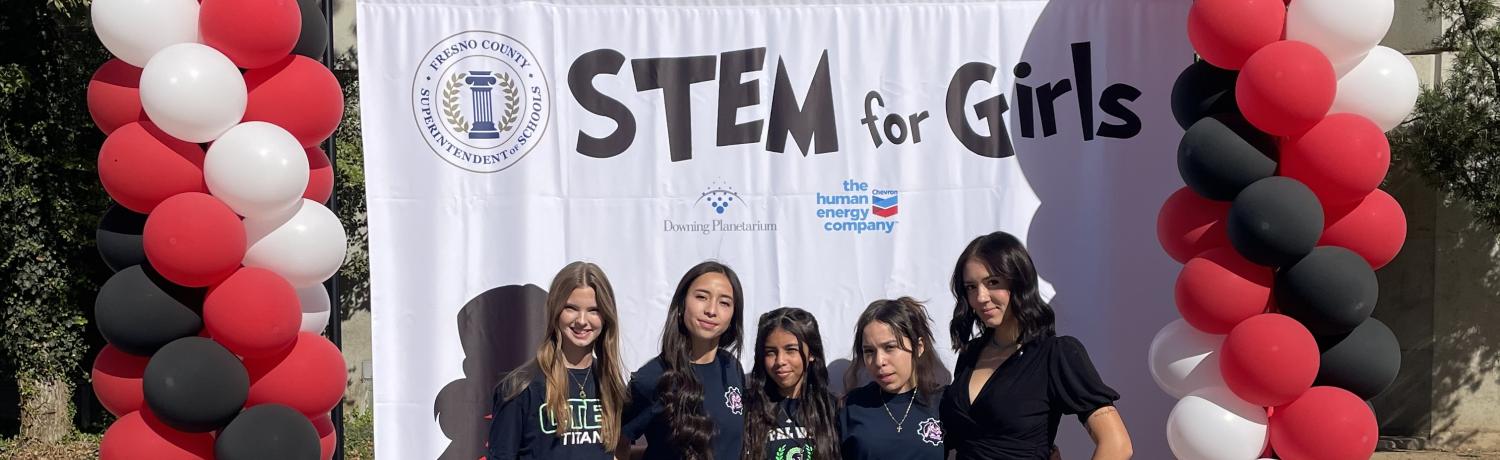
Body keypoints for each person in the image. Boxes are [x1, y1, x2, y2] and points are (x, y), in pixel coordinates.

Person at [939, 231, 1132, 459]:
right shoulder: (970, 354)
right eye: (971, 287)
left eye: (993, 282)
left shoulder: (1057, 354)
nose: (981, 297)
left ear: (1019, 281)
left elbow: (1117, 445)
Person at [488, 261, 629, 460]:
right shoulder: (520, 388)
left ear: (606, 316)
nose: (582, 320)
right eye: (571, 308)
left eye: (593, 310)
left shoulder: (613, 388)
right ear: (555, 310)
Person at [618, 261, 746, 460]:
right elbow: (618, 447)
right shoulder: (651, 378)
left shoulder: (731, 368)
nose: (711, 310)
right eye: (701, 297)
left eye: (724, 302)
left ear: (733, 315)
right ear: (681, 304)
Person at [837, 297, 946, 460]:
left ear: (919, 347)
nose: (879, 361)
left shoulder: (944, 403)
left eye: (890, 347)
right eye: (869, 351)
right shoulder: (852, 406)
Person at [743, 307, 841, 460]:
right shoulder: (747, 408)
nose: (780, 361)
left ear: (812, 354)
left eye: (791, 350)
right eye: (770, 352)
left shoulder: (833, 410)